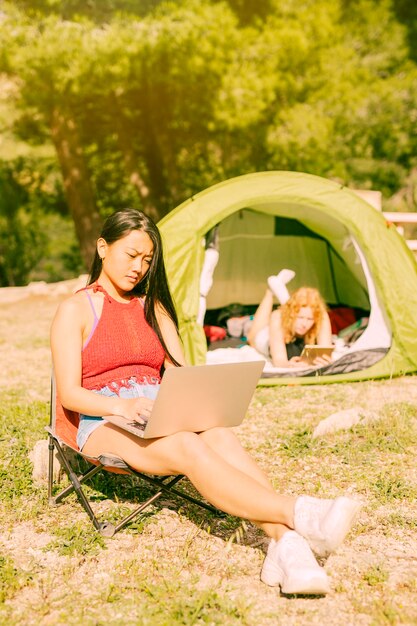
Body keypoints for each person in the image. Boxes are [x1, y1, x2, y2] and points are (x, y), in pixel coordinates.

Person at [51, 208, 361, 596]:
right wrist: (122, 407)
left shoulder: (154, 310)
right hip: (104, 422)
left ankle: (285, 546)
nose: (139, 267)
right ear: (102, 247)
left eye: (147, 260)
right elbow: (69, 393)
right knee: (186, 445)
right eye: (131, 255)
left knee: (218, 433)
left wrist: (197, 398)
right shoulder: (75, 310)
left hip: (161, 412)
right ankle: (300, 513)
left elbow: (180, 371)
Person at [247, 269, 333, 368]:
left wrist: (325, 361)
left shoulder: (320, 315)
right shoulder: (278, 317)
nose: (304, 324)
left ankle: (282, 293)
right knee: (252, 338)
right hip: (269, 337)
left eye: (310, 319)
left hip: (289, 318)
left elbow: (325, 350)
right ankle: (270, 291)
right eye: (300, 318)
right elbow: (279, 361)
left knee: (297, 310)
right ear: (291, 314)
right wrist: (289, 365)